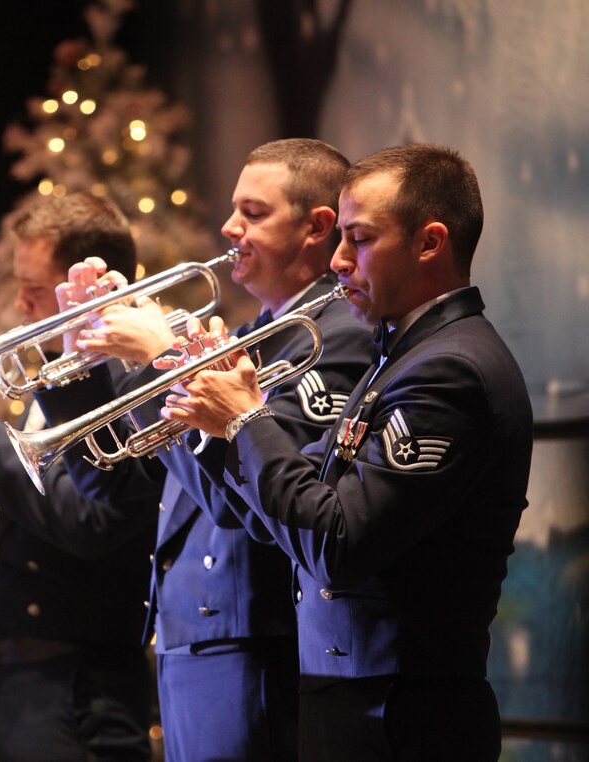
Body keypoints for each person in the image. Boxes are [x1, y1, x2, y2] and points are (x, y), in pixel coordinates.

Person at [164, 144, 533, 760]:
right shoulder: (400, 354)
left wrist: (249, 419)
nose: (337, 261)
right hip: (357, 697)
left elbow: (338, 545)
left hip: (403, 712)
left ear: (429, 243)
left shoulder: (449, 371)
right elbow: (281, 516)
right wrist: (219, 427)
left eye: (358, 239)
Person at [36, 138, 373, 760]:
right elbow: (111, 478)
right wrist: (78, 350)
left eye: (253, 211)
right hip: (195, 637)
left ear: (317, 227)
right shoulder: (249, 336)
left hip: (251, 642)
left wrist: (158, 358)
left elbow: (251, 500)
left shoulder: (337, 339)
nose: (228, 227)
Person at [0, 193, 159, 761]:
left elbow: (93, 520)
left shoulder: (120, 382)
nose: (20, 304)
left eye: (36, 291)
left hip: (76, 684)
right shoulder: (51, 378)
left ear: (80, 290)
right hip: (7, 675)